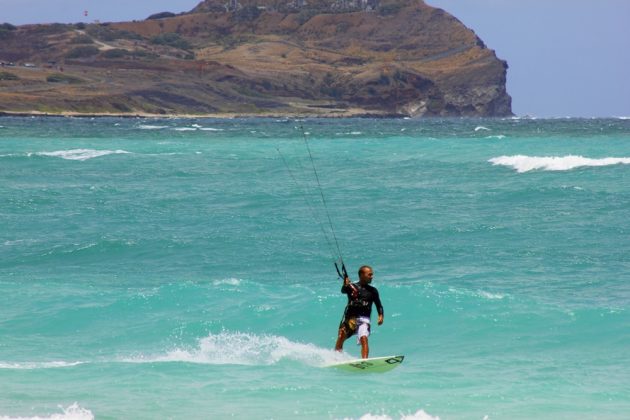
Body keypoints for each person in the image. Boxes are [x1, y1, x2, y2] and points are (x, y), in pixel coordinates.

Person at [334, 265, 384, 358]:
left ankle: (364, 361)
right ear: (362, 275)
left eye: (372, 274)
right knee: (341, 336)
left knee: (364, 338)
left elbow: (379, 305)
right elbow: (343, 290)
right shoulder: (352, 287)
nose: (372, 276)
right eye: (369, 274)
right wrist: (345, 284)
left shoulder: (373, 291)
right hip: (351, 318)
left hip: (364, 320)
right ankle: (336, 357)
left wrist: (381, 315)